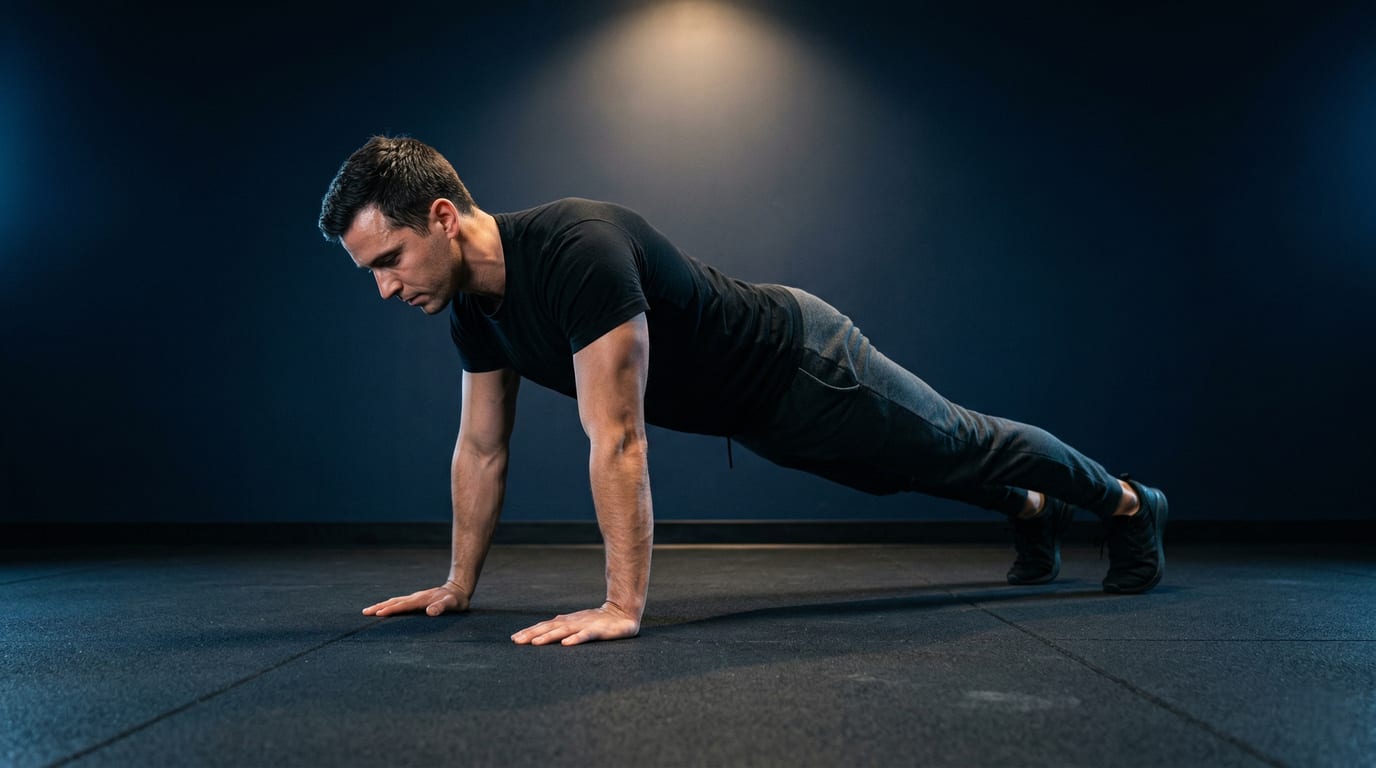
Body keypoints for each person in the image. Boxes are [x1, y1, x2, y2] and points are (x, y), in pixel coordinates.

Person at [317, 136, 1168, 647]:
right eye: (369, 276)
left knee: (955, 440)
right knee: (900, 469)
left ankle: (1129, 505)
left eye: (387, 262)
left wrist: (622, 605)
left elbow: (617, 437)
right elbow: (482, 446)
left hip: (804, 359)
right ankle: (1032, 510)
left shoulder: (578, 251)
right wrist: (458, 583)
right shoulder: (473, 311)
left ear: (439, 216)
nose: (387, 290)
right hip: (753, 413)